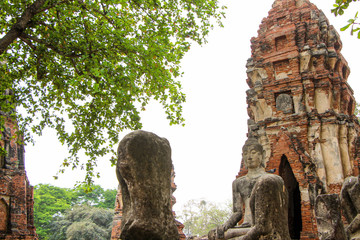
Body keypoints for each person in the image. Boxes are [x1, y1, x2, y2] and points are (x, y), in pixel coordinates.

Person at [208, 137, 290, 240]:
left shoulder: (268, 180)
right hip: (245, 227)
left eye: (253, 152)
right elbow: (237, 213)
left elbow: (268, 220)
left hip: (262, 226)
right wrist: (225, 226)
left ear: (262, 155)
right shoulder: (238, 183)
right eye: (246, 154)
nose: (249, 157)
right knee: (213, 234)